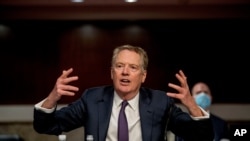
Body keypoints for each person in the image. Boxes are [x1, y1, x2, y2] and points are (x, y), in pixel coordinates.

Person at [33, 44, 214, 141]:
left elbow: (201, 135)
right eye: (119, 66)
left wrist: (192, 105)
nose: (125, 72)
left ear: (143, 76)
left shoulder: (160, 102)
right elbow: (45, 126)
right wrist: (52, 98)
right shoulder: (92, 99)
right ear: (112, 73)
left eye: (133, 67)